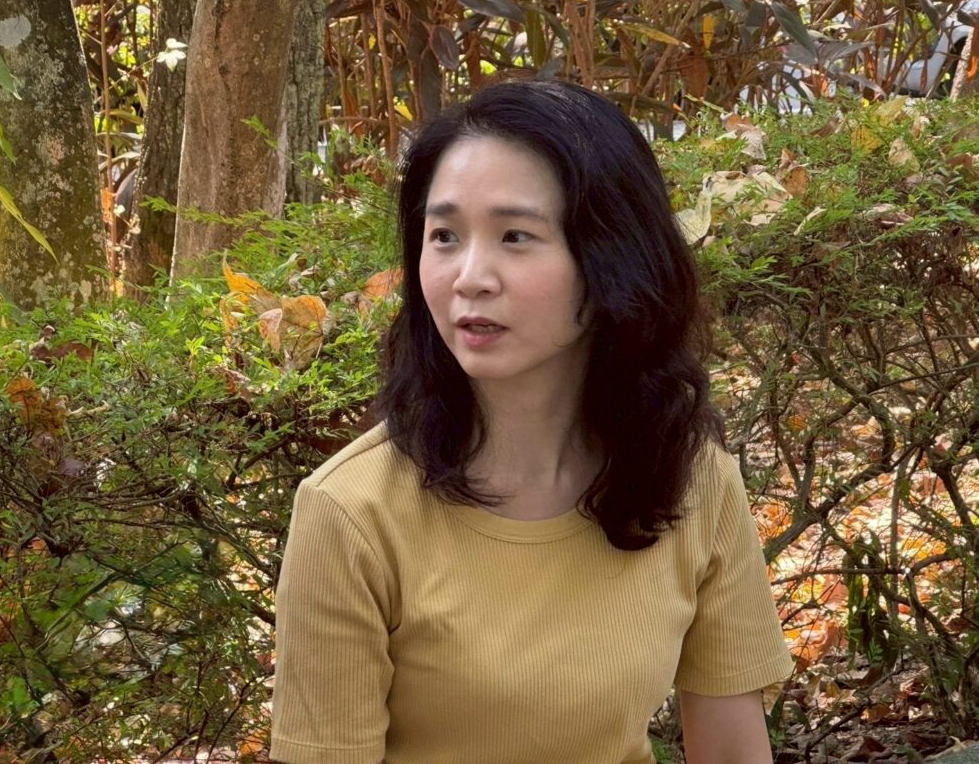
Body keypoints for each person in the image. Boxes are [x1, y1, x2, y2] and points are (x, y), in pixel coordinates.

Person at [269, 79, 792, 764]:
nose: (470, 277)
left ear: (613, 258)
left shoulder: (692, 479)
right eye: (444, 236)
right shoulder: (349, 511)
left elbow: (732, 751)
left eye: (515, 236)